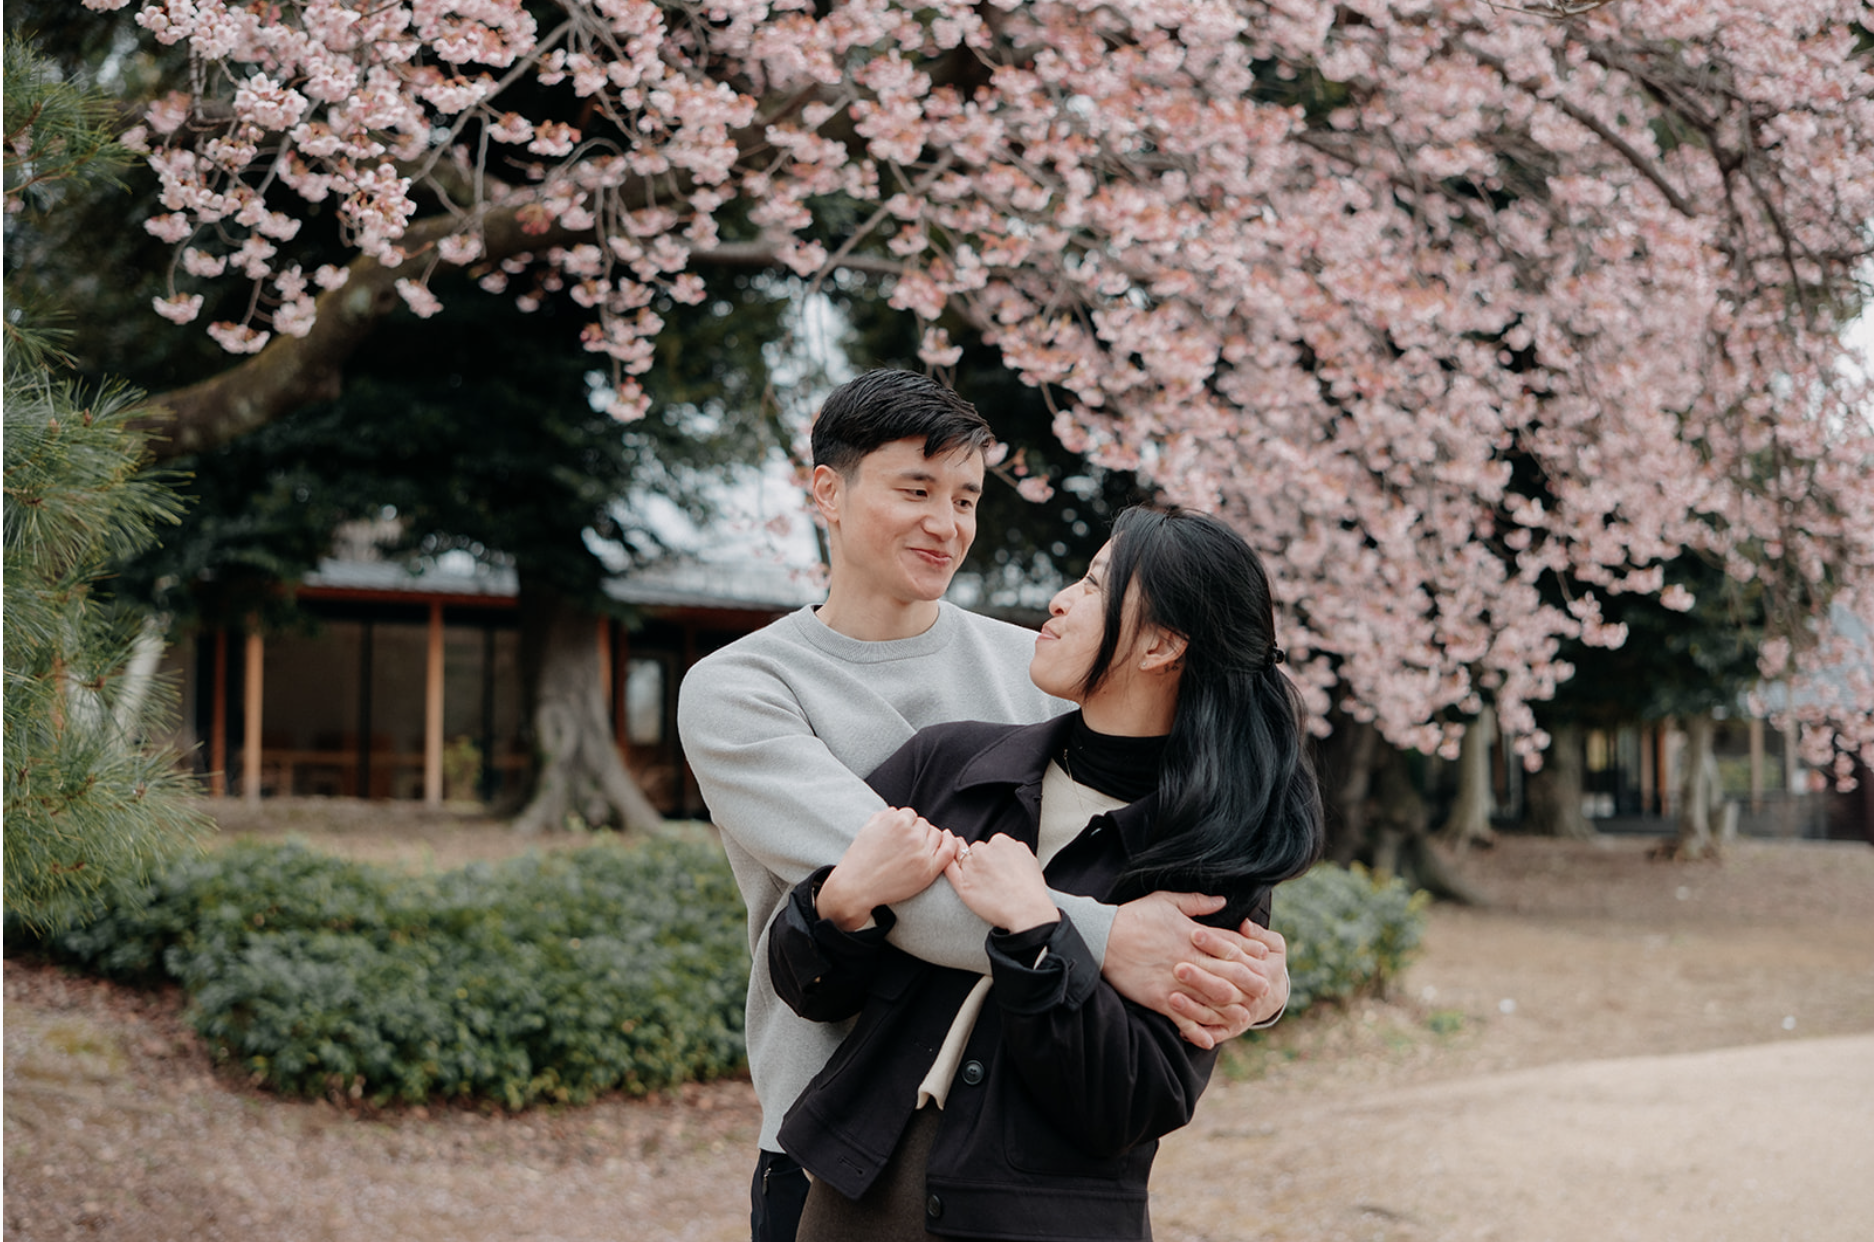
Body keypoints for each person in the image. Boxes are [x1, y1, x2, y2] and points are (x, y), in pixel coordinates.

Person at [676, 371, 1291, 1242]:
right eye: (915, 489)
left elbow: (1130, 828)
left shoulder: (1040, 667)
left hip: (1012, 1147)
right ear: (830, 492)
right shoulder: (742, 687)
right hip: (825, 1128)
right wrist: (1115, 941)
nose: (947, 523)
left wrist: (1246, 977)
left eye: (966, 497)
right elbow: (903, 891)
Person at [768, 506, 1325, 1240]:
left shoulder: (1213, 860)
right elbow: (808, 987)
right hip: (854, 1205)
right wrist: (840, 903)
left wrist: (1038, 929)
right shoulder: (947, 765)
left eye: (1095, 586)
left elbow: (1129, 1102)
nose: (1060, 599)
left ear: (1162, 644)